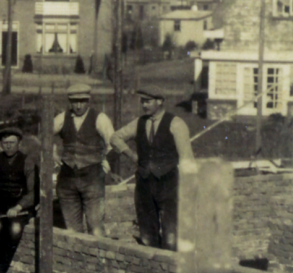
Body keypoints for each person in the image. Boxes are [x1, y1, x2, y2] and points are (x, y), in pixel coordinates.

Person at [110, 85, 195, 250]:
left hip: (169, 186)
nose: (144, 105)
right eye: (142, 101)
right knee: (147, 237)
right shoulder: (139, 123)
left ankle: (169, 271)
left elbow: (187, 158)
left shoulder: (176, 124)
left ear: (160, 101)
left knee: (171, 237)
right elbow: (115, 137)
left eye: (148, 102)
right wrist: (132, 155)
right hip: (144, 186)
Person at [52, 83, 115, 237]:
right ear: (69, 102)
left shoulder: (100, 118)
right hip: (67, 180)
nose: (78, 105)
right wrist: (53, 154)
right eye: (74, 102)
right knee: (72, 229)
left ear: (88, 100)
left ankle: (97, 259)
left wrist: (104, 166)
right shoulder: (61, 118)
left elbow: (112, 144)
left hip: (92, 179)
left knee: (95, 226)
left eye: (82, 101)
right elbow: (45, 137)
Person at [0, 126, 36, 273]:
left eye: (12, 143)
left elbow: (33, 192)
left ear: (19, 143)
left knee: (14, 230)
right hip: (1, 206)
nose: (8, 146)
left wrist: (19, 206)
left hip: (20, 207)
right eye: (5, 143)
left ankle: (0, 272)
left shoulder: (27, 161)